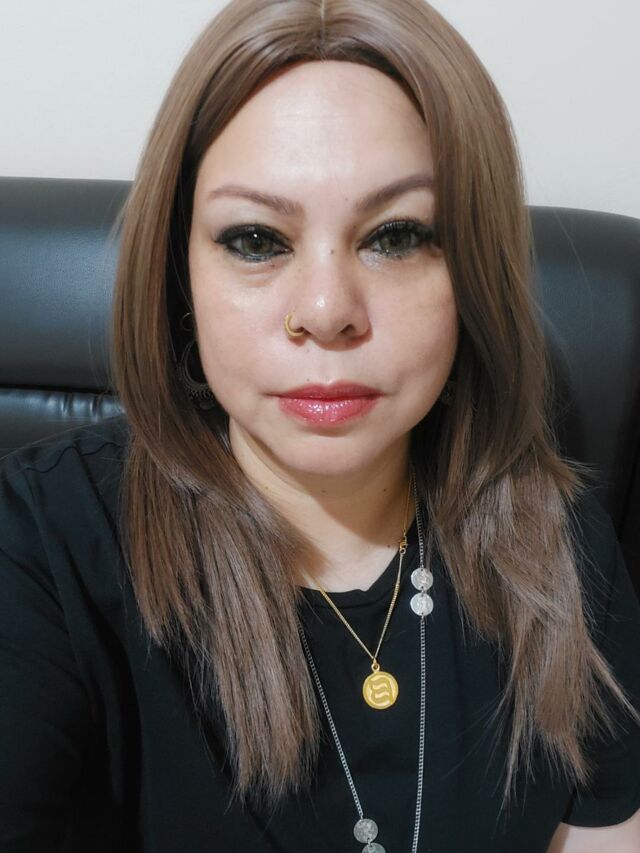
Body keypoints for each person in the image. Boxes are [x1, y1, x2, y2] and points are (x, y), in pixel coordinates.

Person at [1, 0, 639, 851]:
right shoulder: (41, 548)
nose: (328, 309)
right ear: (179, 275)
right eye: (257, 239)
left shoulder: (564, 549)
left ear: (473, 272)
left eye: (397, 235)